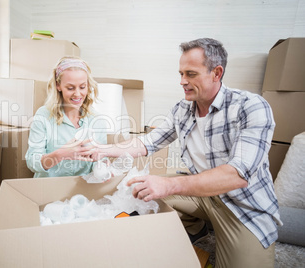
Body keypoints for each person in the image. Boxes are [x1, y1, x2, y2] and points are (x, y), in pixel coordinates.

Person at [81, 38, 282, 268]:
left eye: (190, 74)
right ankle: (196, 227)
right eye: (180, 73)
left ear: (216, 73)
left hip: (242, 206)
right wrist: (101, 150)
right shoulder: (182, 109)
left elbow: (237, 175)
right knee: (140, 190)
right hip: (205, 196)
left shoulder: (251, 106)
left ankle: (215, 229)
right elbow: (147, 143)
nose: (182, 81)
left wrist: (169, 185)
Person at [25, 56, 107, 178]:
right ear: (58, 86)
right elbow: (32, 162)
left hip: (83, 189)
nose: (78, 94)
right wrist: (61, 154)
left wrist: (103, 167)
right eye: (70, 88)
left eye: (82, 87)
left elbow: (100, 159)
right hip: (49, 189)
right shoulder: (44, 116)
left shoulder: (96, 119)